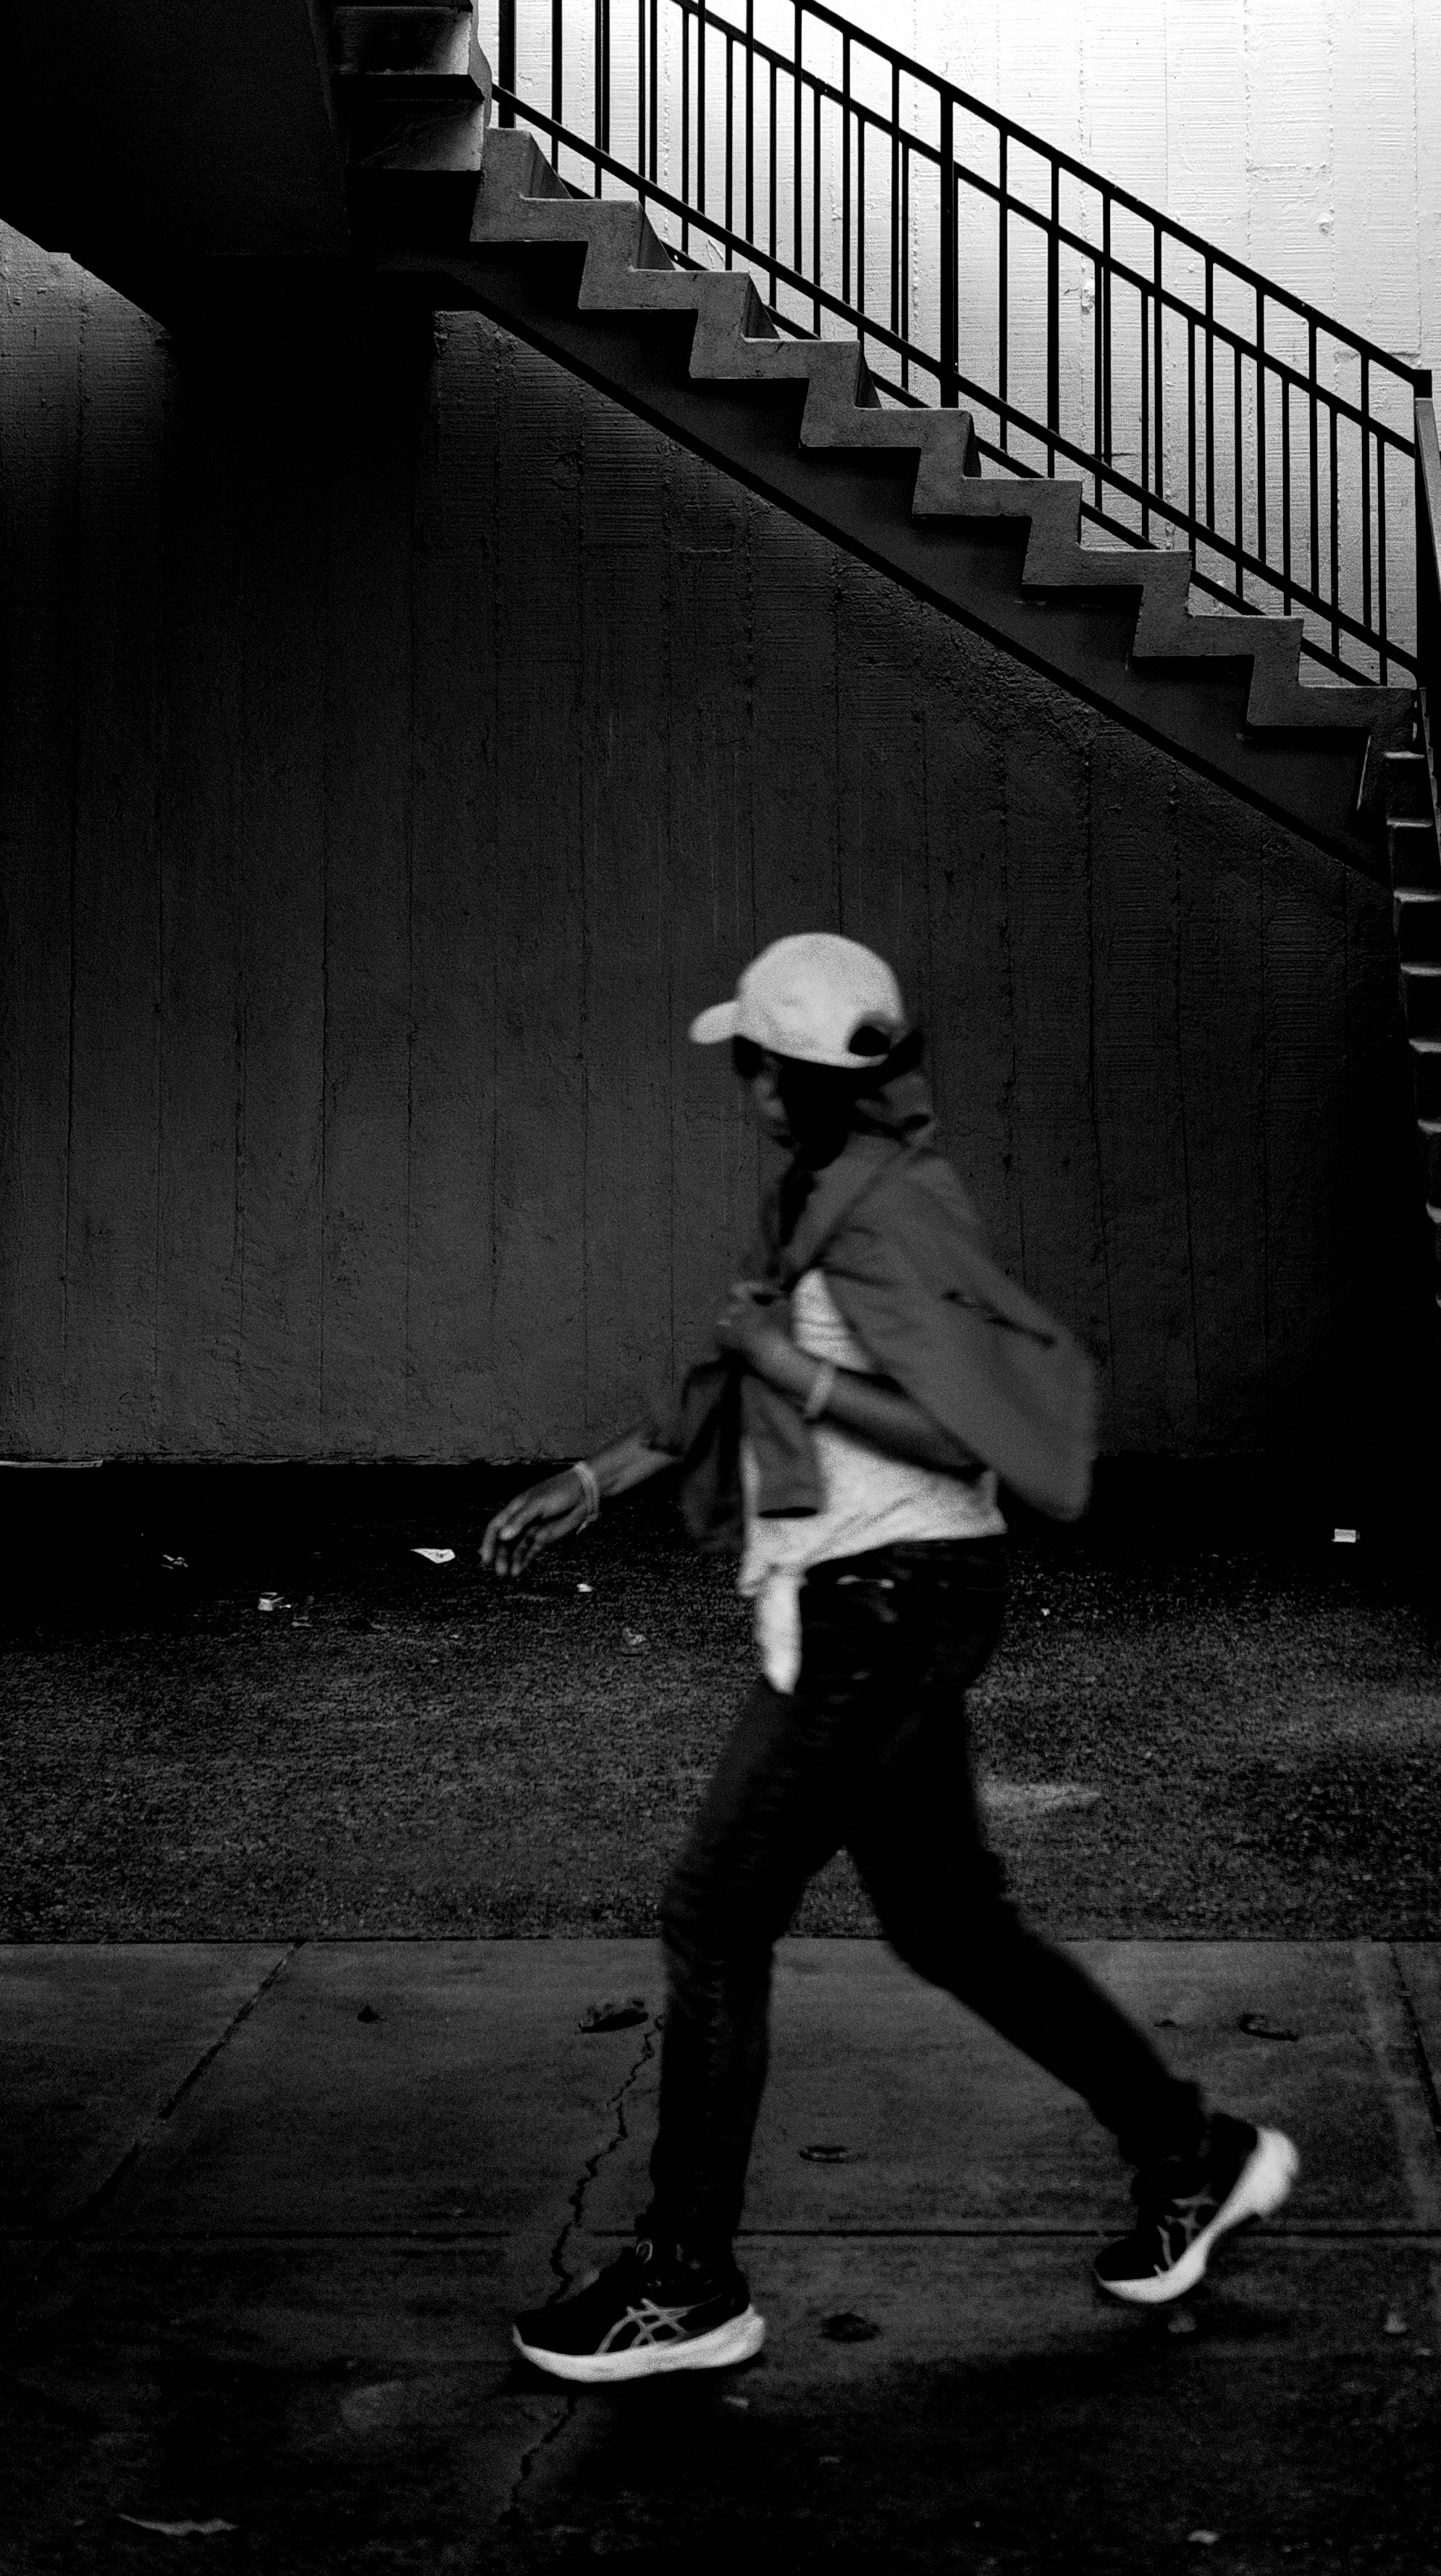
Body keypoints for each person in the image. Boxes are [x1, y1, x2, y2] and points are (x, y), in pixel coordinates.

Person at [484, 930, 1297, 2381]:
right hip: (895, 1596)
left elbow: (950, 1424)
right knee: (946, 1923)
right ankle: (1189, 2154)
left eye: (749, 1067)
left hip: (883, 1602)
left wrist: (796, 1368)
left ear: (783, 1081)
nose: (739, 1090)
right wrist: (597, 1482)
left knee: (714, 1917)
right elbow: (731, 1371)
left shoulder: (883, 1218)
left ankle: (686, 2281)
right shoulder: (830, 1196)